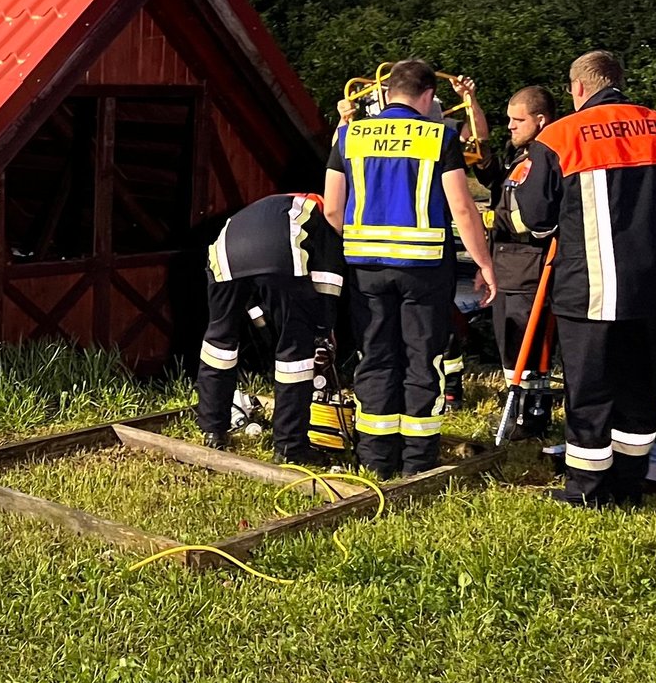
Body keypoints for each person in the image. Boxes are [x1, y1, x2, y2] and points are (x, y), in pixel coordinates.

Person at [515, 50, 656, 506]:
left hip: (590, 287)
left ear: (578, 88)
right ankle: (630, 482)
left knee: (590, 390)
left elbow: (537, 219)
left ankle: (586, 488)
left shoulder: (560, 137)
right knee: (641, 387)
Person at [325, 60, 495, 479]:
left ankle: (375, 459)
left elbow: (331, 207)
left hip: (365, 268)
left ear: (385, 93)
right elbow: (461, 206)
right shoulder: (439, 135)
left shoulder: (349, 135)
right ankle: (418, 462)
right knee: (423, 359)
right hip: (423, 269)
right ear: (427, 97)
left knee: (375, 357)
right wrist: (485, 264)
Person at [197, 192, 345, 463]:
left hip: (222, 255)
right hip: (279, 253)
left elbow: (255, 295)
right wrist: (323, 331)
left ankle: (212, 430)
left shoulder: (267, 207)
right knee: (295, 354)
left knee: (219, 343)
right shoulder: (322, 216)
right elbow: (327, 281)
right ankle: (290, 448)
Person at [473, 84, 559, 437]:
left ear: (540, 120)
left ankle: (531, 416)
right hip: (506, 262)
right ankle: (520, 413)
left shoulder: (545, 158)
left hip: (528, 266)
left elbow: (535, 218)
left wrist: (489, 222)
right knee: (509, 344)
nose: (510, 126)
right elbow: (483, 156)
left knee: (530, 345)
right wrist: (472, 102)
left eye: (517, 120)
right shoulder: (517, 155)